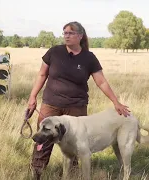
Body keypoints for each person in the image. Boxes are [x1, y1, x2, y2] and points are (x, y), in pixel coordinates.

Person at [26, 21, 130, 179]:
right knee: (44, 140)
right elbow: (42, 74)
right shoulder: (54, 52)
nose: (66, 36)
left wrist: (116, 102)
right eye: (65, 33)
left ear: (80, 36)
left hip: (76, 108)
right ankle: (36, 173)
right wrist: (32, 96)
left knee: (75, 145)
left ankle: (71, 175)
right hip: (51, 105)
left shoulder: (89, 57)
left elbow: (101, 81)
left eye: (70, 33)